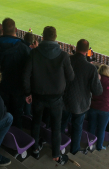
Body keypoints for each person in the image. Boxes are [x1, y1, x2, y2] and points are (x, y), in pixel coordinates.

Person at [23, 26, 74, 165]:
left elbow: (26, 75)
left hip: (38, 95)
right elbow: (71, 77)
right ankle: (56, 155)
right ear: (55, 37)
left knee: (36, 122)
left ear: (43, 37)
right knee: (56, 127)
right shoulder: (63, 55)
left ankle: (35, 149)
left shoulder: (34, 53)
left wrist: (28, 92)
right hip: (56, 98)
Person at [61, 39, 102, 155]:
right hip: (80, 105)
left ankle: (58, 145)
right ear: (87, 51)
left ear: (76, 47)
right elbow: (97, 91)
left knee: (61, 124)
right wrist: (98, 80)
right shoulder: (91, 68)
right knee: (77, 127)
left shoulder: (66, 60)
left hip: (63, 100)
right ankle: (74, 150)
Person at [0, 18, 30, 128]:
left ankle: (2, 137)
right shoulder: (24, 49)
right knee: (17, 115)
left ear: (2, 30)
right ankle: (15, 138)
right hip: (17, 90)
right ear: (15, 29)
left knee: (0, 114)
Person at [88, 64, 109, 151]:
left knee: (92, 126)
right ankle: (99, 146)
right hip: (105, 108)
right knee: (101, 129)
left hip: (93, 106)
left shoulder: (94, 80)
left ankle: (90, 145)